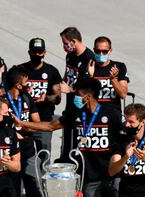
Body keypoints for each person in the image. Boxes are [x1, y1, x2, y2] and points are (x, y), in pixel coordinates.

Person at [13, 77, 123, 197]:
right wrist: (23, 123)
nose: (75, 98)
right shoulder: (75, 112)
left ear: (88, 96)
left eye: (78, 94)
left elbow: (126, 137)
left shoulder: (111, 114)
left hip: (113, 173)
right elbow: (50, 126)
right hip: (89, 176)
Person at [5, 65, 54, 197]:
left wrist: (25, 127)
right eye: (26, 80)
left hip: (29, 153)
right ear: (18, 83)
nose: (28, 83)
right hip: (10, 156)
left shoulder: (26, 98)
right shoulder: (2, 102)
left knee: (35, 193)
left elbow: (36, 122)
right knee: (14, 196)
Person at [19, 37, 62, 153]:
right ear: (29, 52)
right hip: (24, 121)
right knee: (22, 154)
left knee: (44, 154)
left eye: (40, 52)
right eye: (34, 52)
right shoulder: (20, 70)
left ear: (45, 53)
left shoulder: (52, 71)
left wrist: (47, 98)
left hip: (44, 121)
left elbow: (58, 98)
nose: (37, 54)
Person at [59, 27, 94, 161]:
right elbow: (67, 75)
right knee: (67, 142)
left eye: (65, 43)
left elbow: (88, 87)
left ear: (73, 41)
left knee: (79, 143)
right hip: (70, 106)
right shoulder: (70, 56)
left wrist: (70, 90)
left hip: (82, 109)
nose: (64, 47)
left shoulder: (88, 58)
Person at [88, 36, 129, 110]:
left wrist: (113, 79)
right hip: (94, 113)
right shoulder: (88, 67)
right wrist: (90, 76)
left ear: (110, 50)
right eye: (98, 51)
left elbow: (123, 95)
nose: (101, 54)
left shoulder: (119, 67)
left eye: (104, 51)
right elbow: (82, 96)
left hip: (113, 114)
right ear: (94, 50)